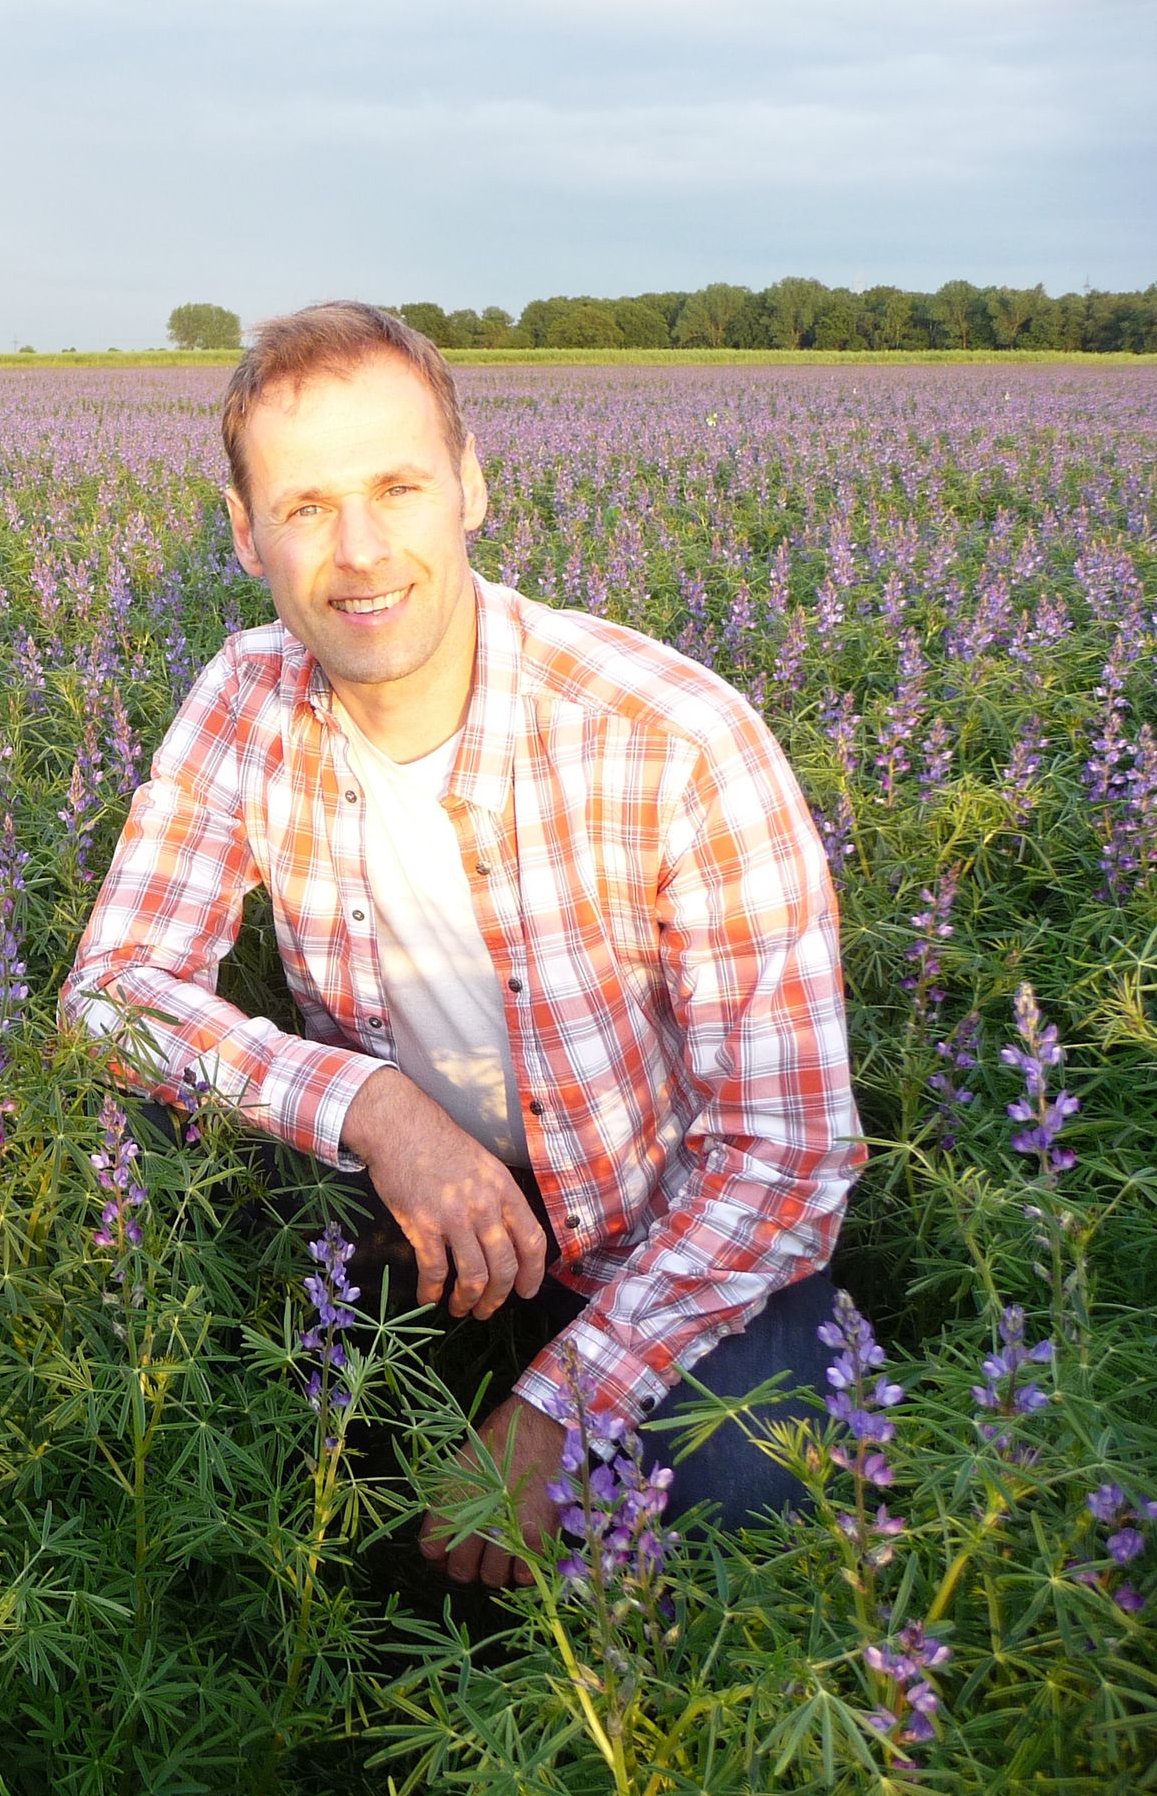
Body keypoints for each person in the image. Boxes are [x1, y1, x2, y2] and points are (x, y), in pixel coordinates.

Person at [60, 302, 864, 1589]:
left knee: (754, 1480)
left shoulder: (669, 738)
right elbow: (110, 995)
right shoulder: (247, 696)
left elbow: (789, 1155)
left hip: (650, 1223)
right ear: (244, 532)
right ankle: (287, 1601)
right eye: (307, 504)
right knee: (130, 1189)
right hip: (404, 1205)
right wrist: (372, 1105)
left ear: (470, 485)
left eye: (395, 487)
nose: (359, 550)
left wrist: (561, 1406)